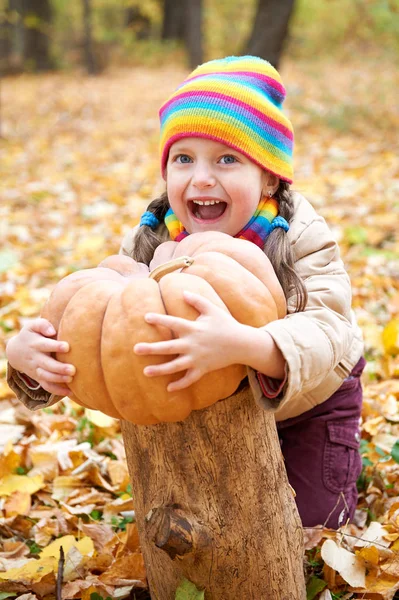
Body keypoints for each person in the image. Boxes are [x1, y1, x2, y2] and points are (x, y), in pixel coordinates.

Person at [6, 55, 365, 529]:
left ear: (269, 178)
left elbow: (330, 331)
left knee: (312, 529)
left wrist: (246, 345)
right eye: (183, 158)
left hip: (307, 404)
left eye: (227, 159)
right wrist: (32, 362)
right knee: (203, 530)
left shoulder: (299, 235)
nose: (201, 177)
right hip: (214, 413)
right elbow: (105, 340)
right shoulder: (152, 239)